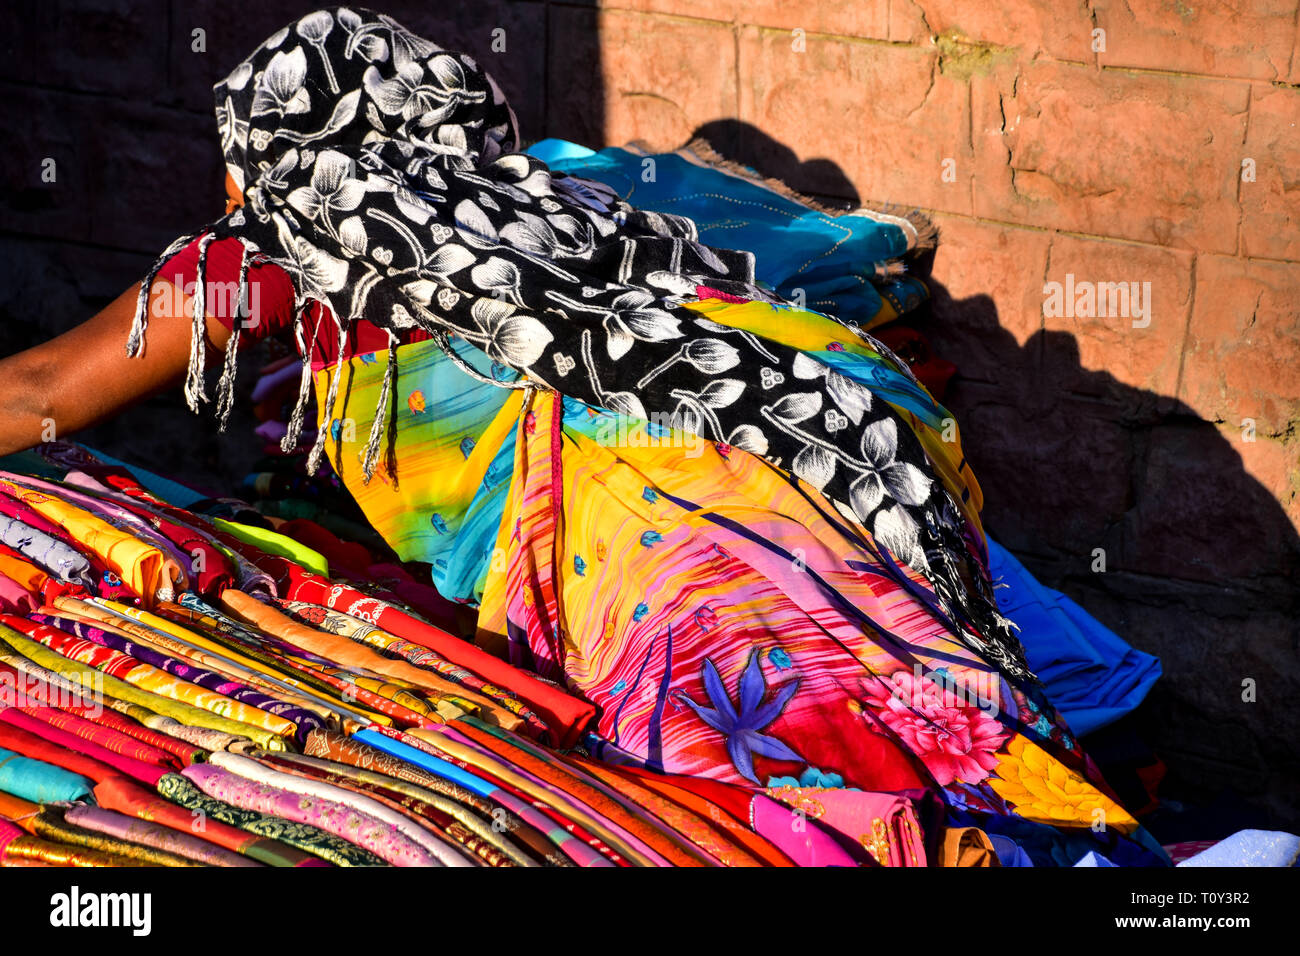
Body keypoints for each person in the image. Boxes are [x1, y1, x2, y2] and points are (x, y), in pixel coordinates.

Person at [0, 7, 1166, 865]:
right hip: (803, 484)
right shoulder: (563, 192)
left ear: (267, 150)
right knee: (926, 738)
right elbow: (835, 258)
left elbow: (42, 391)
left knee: (765, 808)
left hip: (656, 564)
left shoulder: (295, 238)